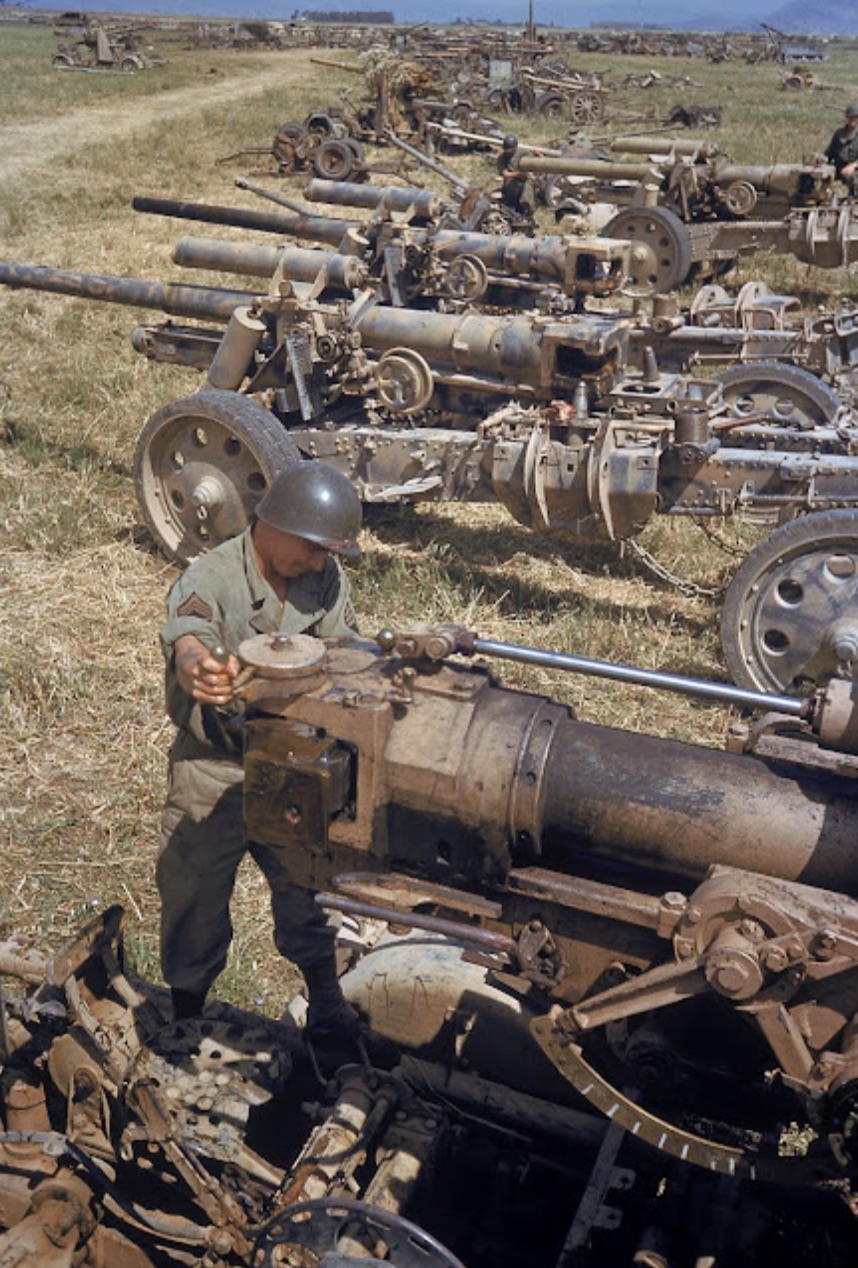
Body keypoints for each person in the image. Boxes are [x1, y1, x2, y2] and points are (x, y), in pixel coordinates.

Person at [156, 460, 364, 1037]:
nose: (320, 563)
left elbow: (345, 652)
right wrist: (197, 666)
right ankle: (186, 1020)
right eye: (314, 548)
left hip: (294, 765)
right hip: (213, 768)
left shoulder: (324, 578)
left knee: (310, 891)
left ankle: (328, 1007)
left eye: (328, 553)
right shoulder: (212, 576)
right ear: (275, 525)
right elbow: (189, 637)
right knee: (194, 898)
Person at [496, 132, 537, 218]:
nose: (508, 153)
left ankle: (528, 209)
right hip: (511, 180)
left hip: (525, 178)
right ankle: (512, 206)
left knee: (527, 186)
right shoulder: (502, 158)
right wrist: (518, 174)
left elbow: (532, 162)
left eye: (510, 150)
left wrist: (537, 156)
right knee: (514, 185)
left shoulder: (523, 153)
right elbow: (505, 174)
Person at [825, 102, 858, 194]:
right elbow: (830, 152)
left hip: (854, 169)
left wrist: (853, 166)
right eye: (850, 117)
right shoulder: (839, 133)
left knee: (854, 181)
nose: (853, 120)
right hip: (838, 166)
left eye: (855, 117)